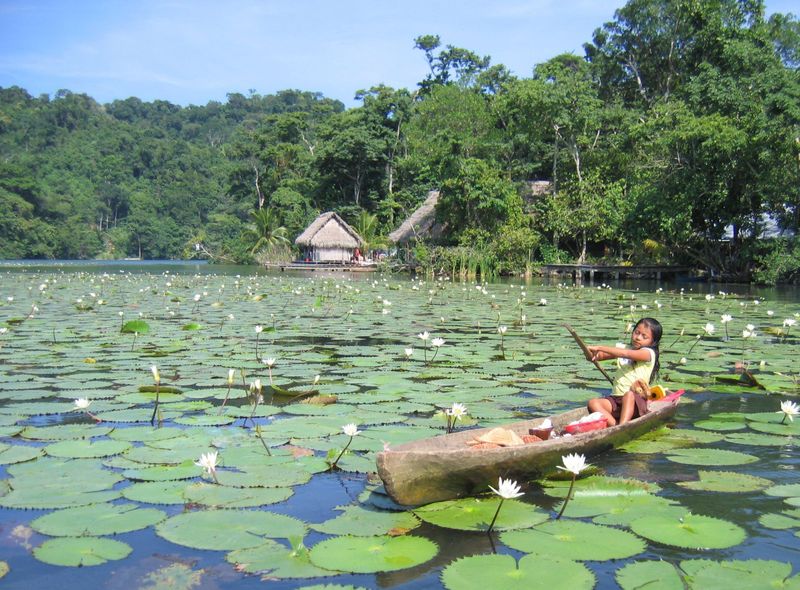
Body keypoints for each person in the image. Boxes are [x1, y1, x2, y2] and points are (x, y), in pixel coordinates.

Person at [585, 317, 662, 426]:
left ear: (653, 342)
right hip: (616, 399)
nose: (638, 337)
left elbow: (625, 354)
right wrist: (591, 355)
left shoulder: (648, 353)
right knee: (593, 403)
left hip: (636, 401)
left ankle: (623, 425)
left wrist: (600, 347)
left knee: (629, 395)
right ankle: (615, 426)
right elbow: (599, 356)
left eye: (644, 336)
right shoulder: (625, 348)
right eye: (637, 332)